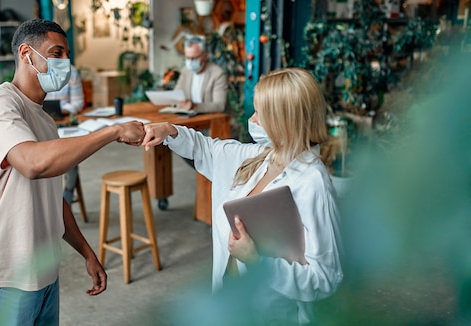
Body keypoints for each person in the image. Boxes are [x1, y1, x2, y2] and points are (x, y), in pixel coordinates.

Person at [0, 19, 145, 325]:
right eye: (57, 52)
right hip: (5, 276)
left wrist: (87, 252)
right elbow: (33, 164)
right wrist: (112, 131)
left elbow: (53, 199)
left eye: (67, 55)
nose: (66, 63)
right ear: (26, 54)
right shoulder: (1, 103)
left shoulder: (47, 123)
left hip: (44, 275)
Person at [142, 68, 343, 325]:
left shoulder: (312, 183)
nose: (252, 119)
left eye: (260, 113)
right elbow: (210, 149)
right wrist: (170, 131)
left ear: (284, 121)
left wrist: (258, 262)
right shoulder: (263, 157)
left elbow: (325, 278)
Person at [44, 64, 84, 204]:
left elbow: (78, 103)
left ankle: (67, 193)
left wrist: (59, 110)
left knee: (70, 153)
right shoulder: (36, 69)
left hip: (65, 122)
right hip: (41, 122)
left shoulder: (72, 72)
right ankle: (48, 198)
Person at [173, 35, 228, 115]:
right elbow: (176, 95)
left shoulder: (218, 74)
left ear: (205, 56)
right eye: (187, 58)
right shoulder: (185, 71)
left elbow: (220, 105)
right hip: (191, 119)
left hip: (214, 121)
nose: (190, 62)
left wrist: (194, 106)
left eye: (194, 58)